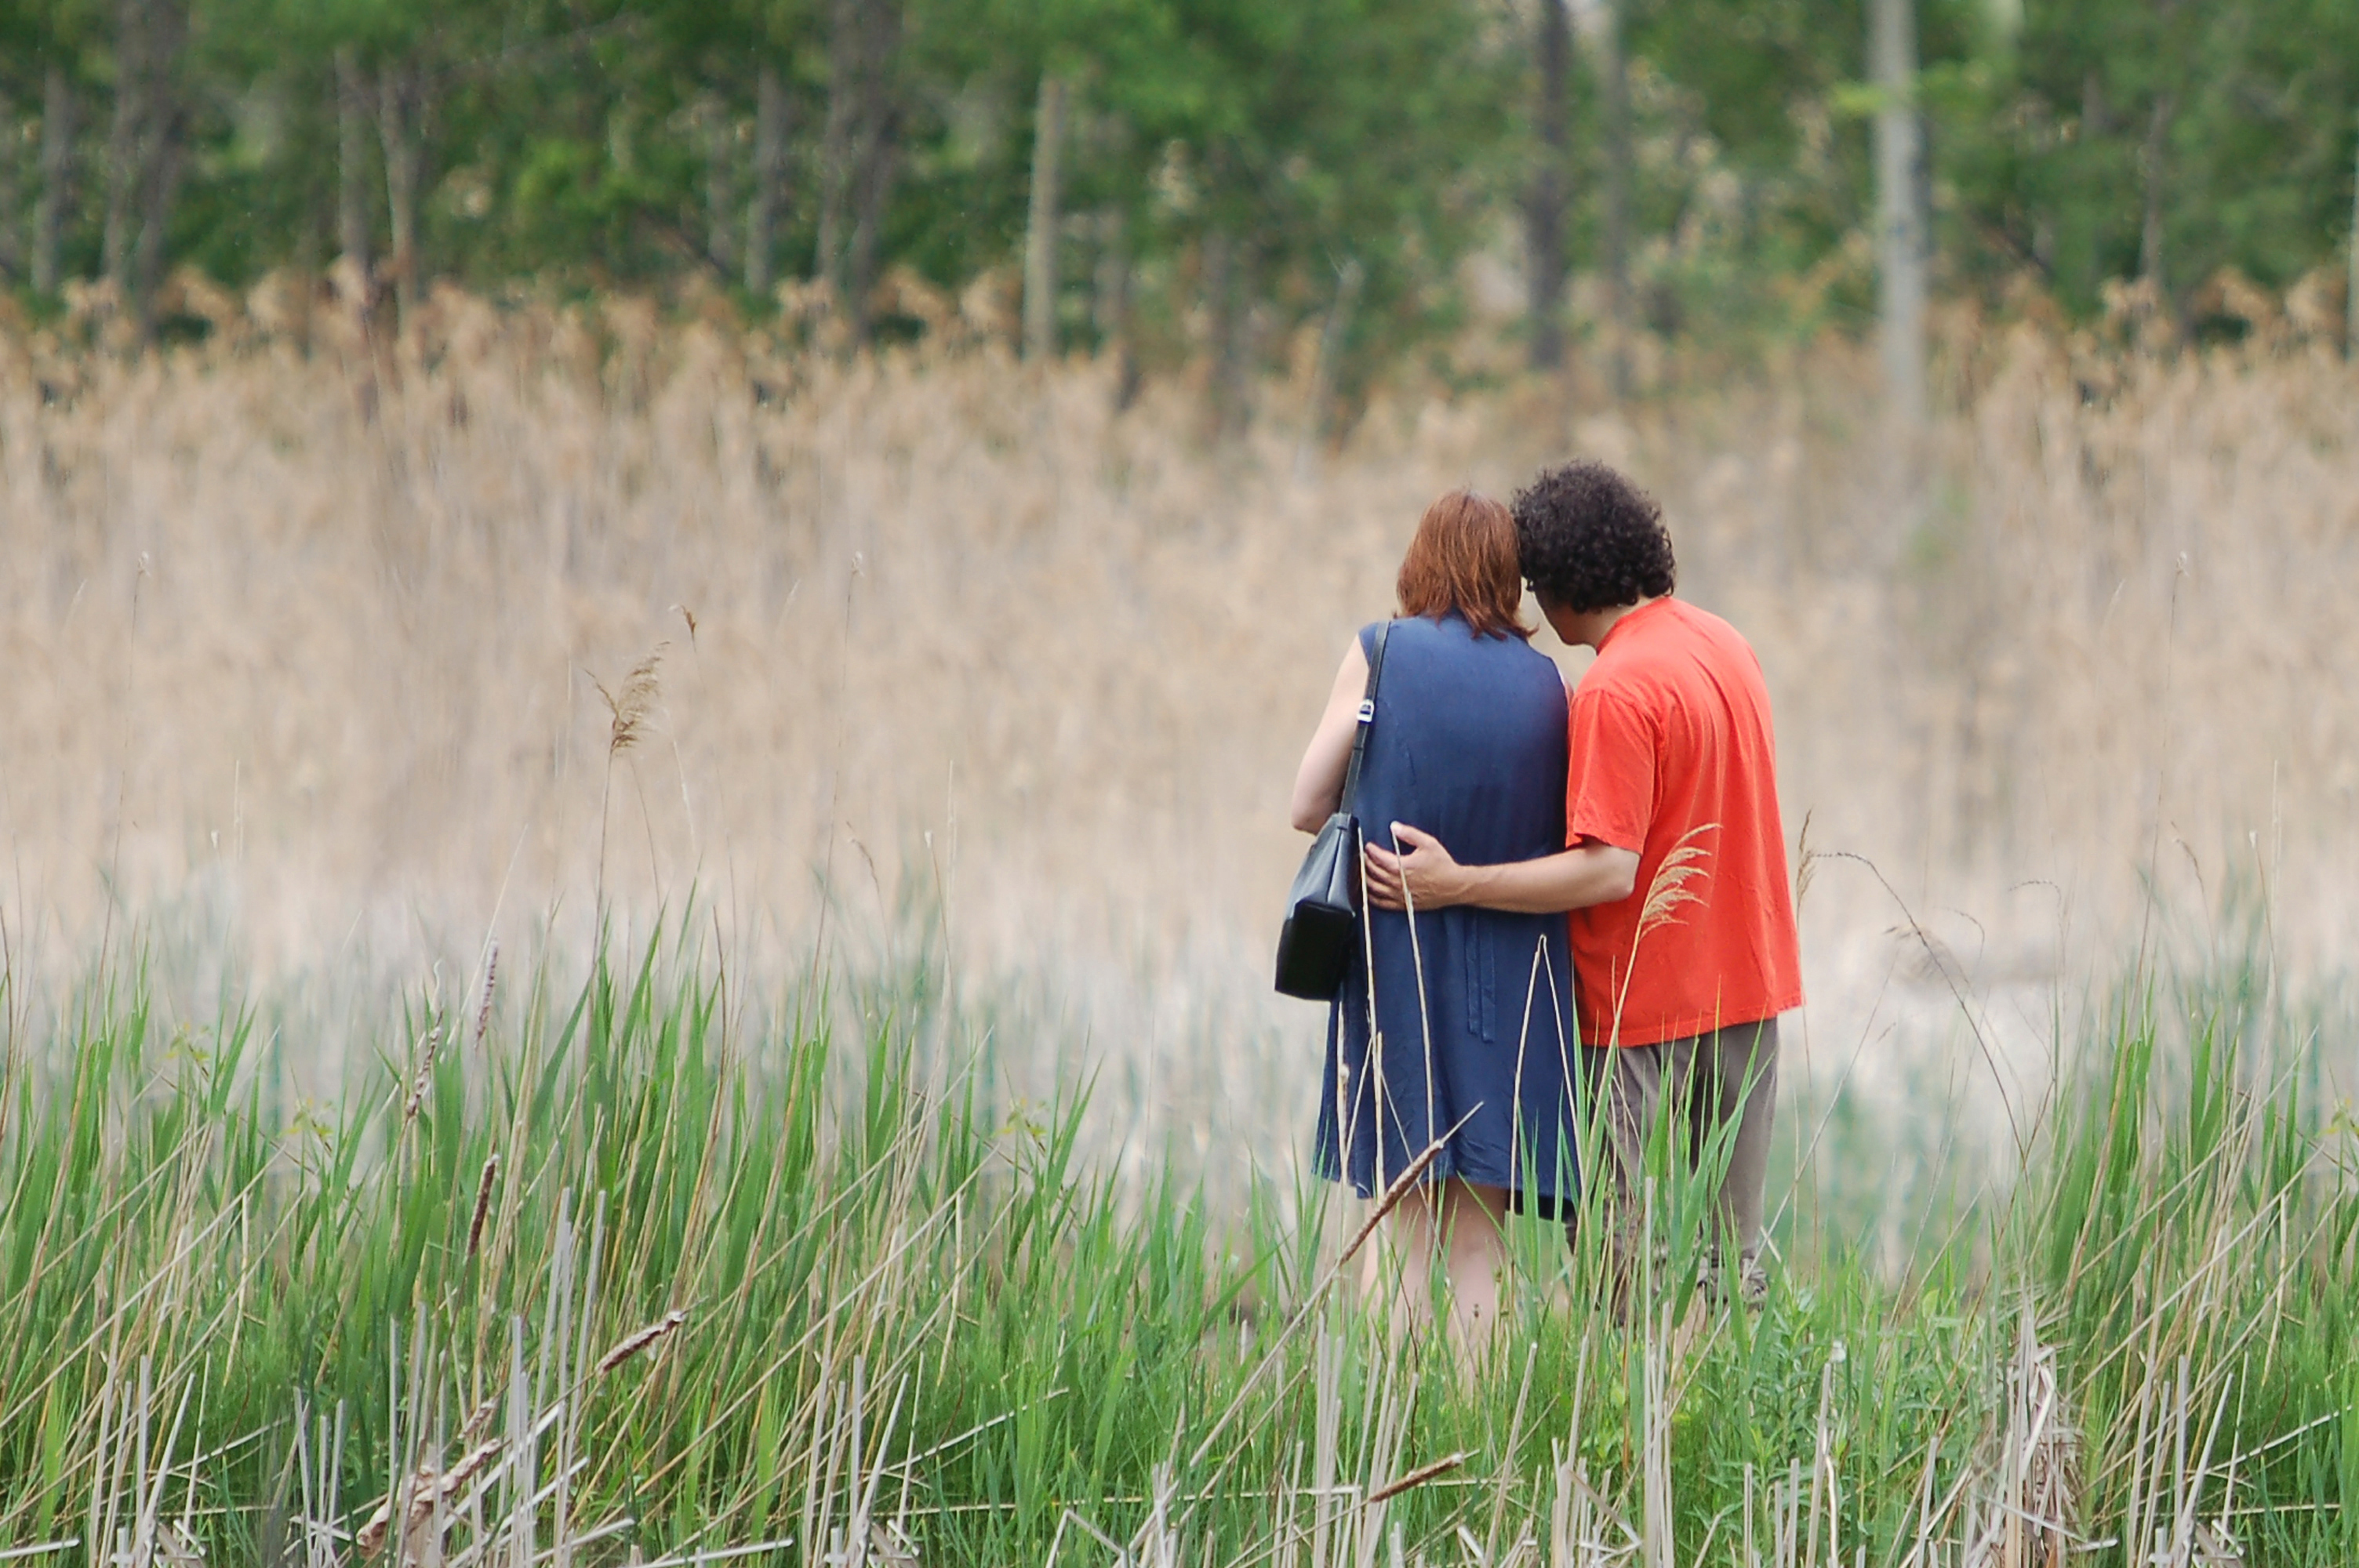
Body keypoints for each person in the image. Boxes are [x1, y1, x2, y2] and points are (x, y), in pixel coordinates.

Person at [1364, 459, 1803, 1308]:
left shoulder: (1613, 687)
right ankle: (1728, 1421)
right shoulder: (1726, 644)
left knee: (1616, 1268)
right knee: (1732, 1264)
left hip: (1639, 1012)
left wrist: (1456, 882)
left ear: (1562, 587)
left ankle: (1619, 1428)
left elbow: (1609, 866)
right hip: (1748, 989)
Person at [1289, 489, 1579, 1352]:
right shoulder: (1550, 684)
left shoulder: (1380, 653)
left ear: (1418, 560)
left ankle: (1394, 1435)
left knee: (1397, 1210)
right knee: (1479, 1234)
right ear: (1509, 574)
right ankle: (1478, 1441)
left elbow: (1306, 803)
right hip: (1515, 978)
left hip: (1398, 958)